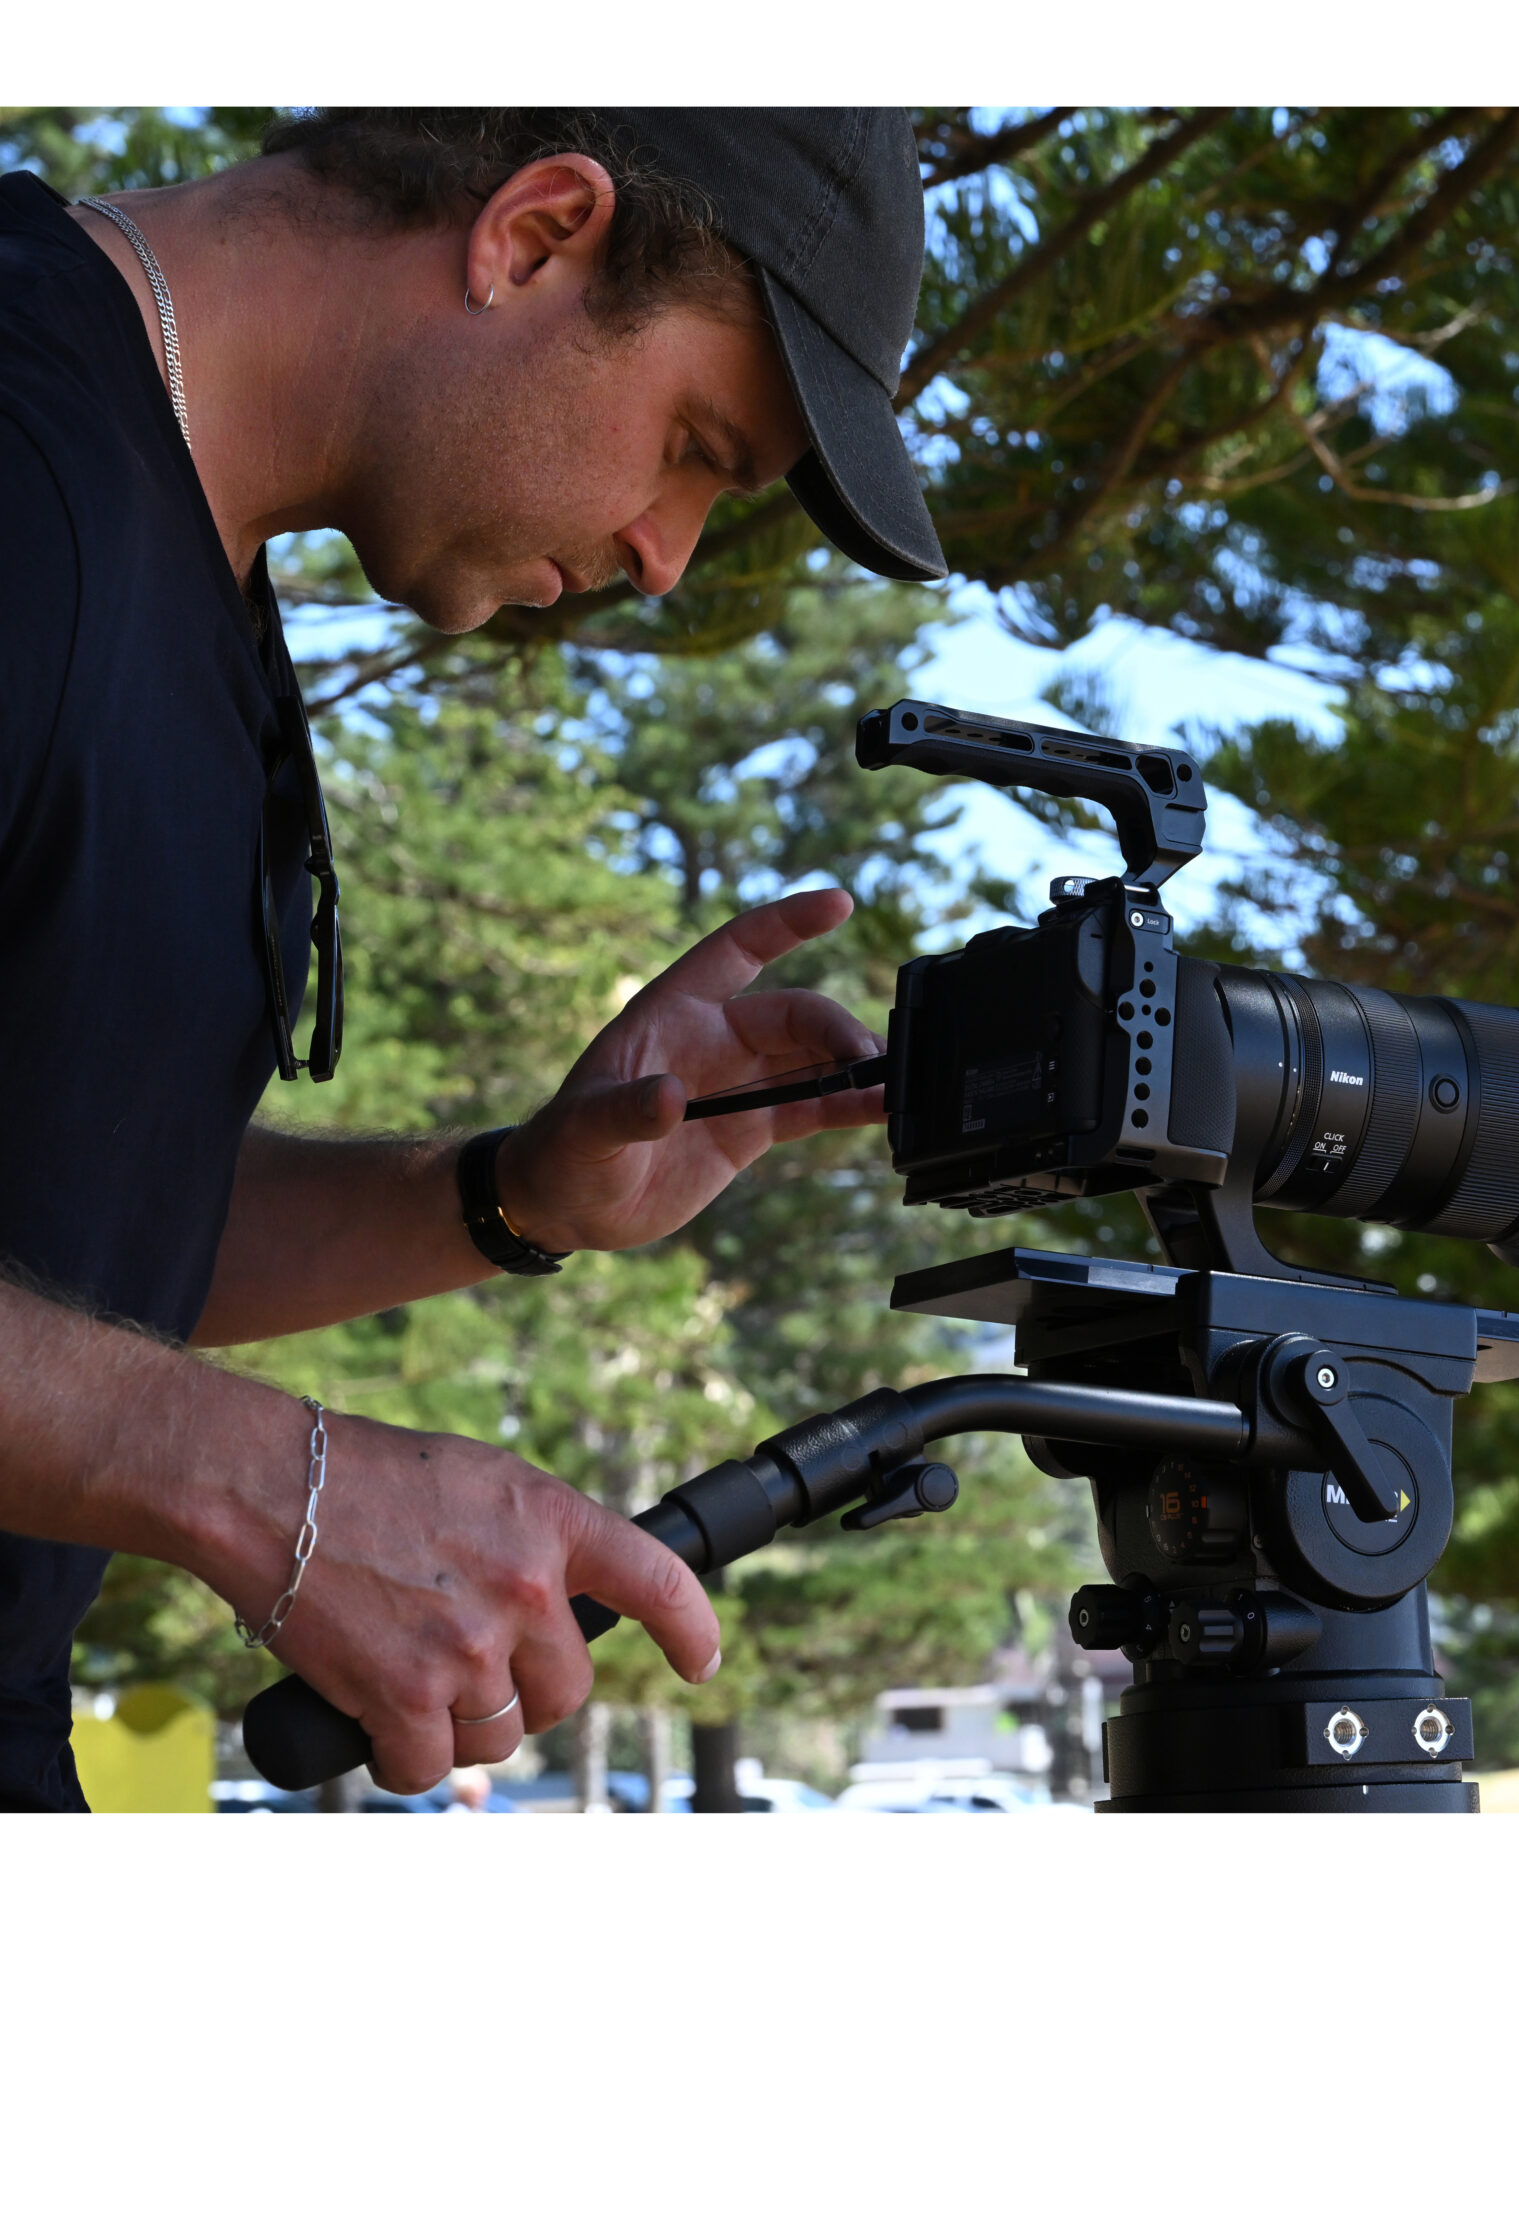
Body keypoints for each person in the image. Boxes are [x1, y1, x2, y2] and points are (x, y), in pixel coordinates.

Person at [0, 110, 947, 1811]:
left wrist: (505, 1197)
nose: (667, 557)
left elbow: (78, 1231)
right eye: (693, 447)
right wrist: (277, 1487)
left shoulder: (196, 571)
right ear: (535, 235)